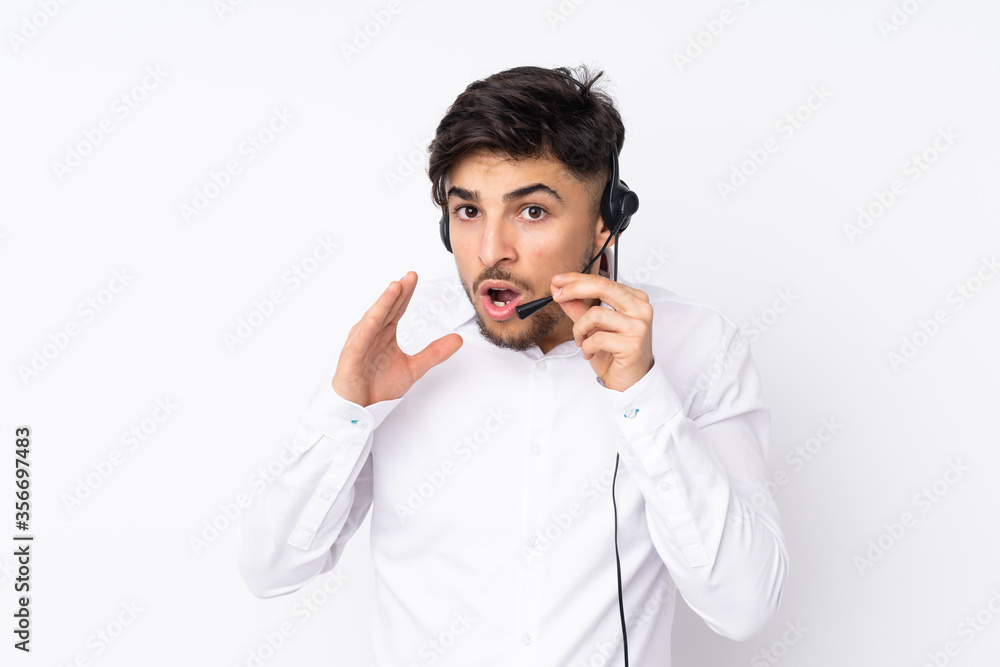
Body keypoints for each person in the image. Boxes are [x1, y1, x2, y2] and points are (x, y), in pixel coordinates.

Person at [237, 64, 788, 666]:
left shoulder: (700, 348)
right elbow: (271, 570)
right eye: (468, 211)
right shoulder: (402, 345)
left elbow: (743, 606)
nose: (491, 249)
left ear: (606, 221)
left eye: (531, 212)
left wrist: (644, 397)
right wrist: (347, 414)